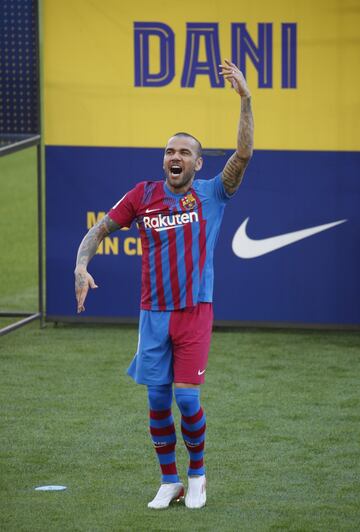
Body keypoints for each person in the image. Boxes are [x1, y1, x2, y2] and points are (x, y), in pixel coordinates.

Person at [74, 59, 254, 510]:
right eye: (169, 151)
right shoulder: (142, 195)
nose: (175, 157)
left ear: (198, 161)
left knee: (187, 399)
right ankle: (168, 479)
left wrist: (246, 100)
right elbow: (98, 231)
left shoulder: (213, 193)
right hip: (153, 313)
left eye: (184, 152)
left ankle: (197, 475)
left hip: (195, 311)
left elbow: (244, 155)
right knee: (157, 400)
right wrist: (81, 265)